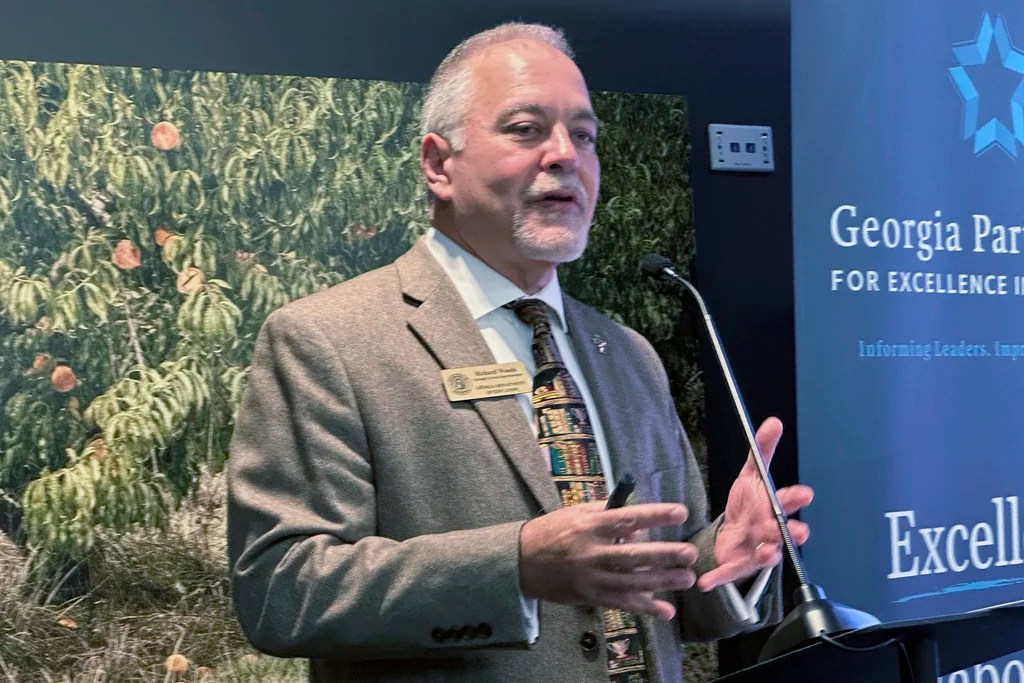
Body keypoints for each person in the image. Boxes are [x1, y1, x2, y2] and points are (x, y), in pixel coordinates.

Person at [227, 21, 813, 682]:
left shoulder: (627, 352)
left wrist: (725, 558)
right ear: (437, 164)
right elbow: (280, 591)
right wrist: (516, 565)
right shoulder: (328, 339)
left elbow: (659, 591)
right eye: (527, 128)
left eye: (584, 135)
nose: (565, 153)